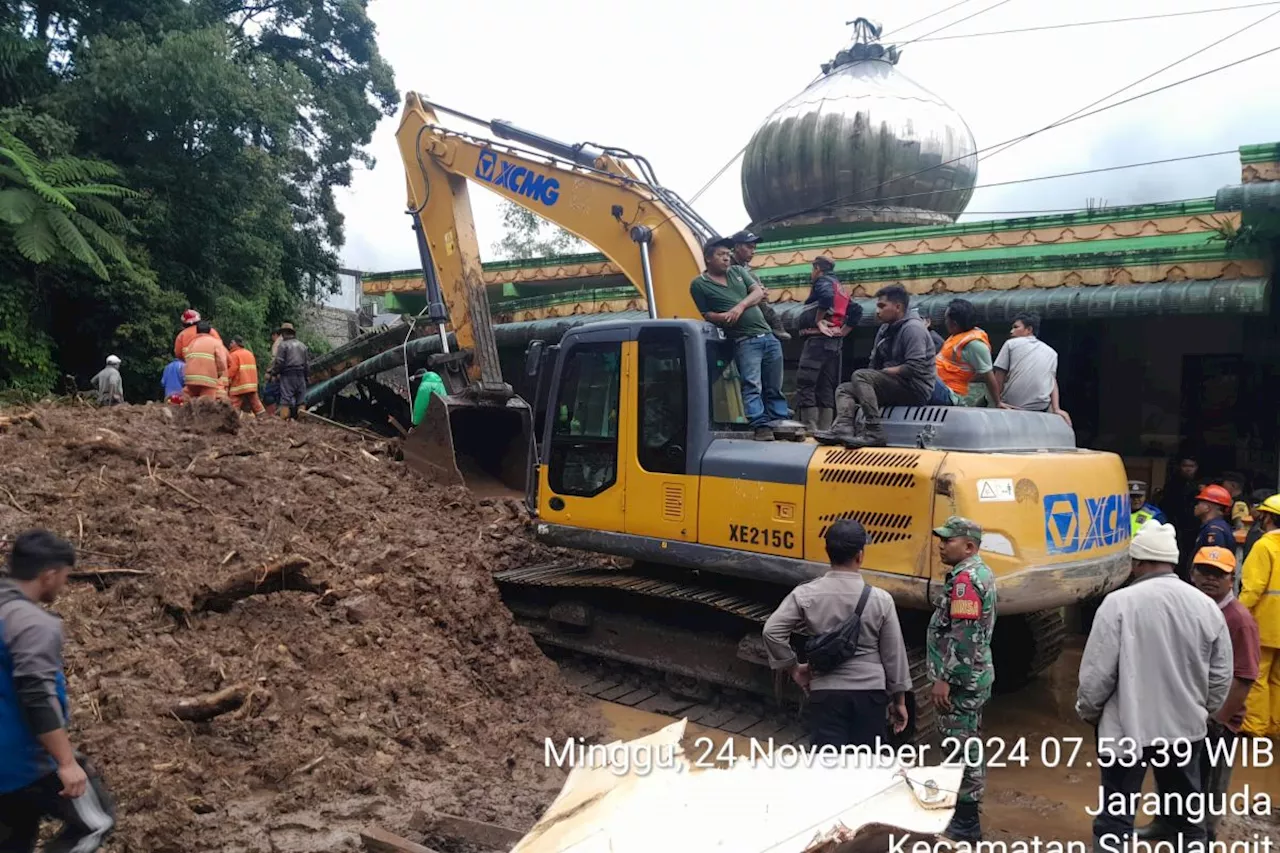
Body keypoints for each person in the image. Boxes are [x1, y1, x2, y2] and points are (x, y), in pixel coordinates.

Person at [1076, 519, 1231, 852]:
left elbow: (1096, 675)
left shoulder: (1118, 604)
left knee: (1115, 818)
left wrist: (1090, 712)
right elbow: (1220, 676)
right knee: (1189, 817)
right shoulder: (1205, 607)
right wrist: (1202, 709)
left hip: (1127, 729)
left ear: (1136, 562)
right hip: (1184, 731)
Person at [1132, 546, 1259, 845]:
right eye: (1203, 572)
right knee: (1172, 778)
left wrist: (1219, 719)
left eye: (1218, 574)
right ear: (1191, 573)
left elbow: (1244, 677)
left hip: (1217, 720)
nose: (1209, 579)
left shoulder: (1238, 619)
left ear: (1232, 579)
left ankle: (1202, 838)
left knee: (1205, 787)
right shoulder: (1187, 608)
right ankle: (1165, 826)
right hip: (1182, 714)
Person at [0, 529, 115, 852]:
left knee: (14, 840)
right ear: (49, 575)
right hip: (25, 760)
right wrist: (65, 762)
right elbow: (36, 695)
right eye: (65, 576)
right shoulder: (32, 623)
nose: (64, 584)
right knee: (96, 822)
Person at [761, 519, 910, 748]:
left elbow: (772, 632)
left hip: (825, 692)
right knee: (867, 766)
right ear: (860, 555)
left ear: (828, 552)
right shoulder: (881, 599)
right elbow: (894, 655)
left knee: (829, 768)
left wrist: (793, 668)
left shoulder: (805, 594)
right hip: (870, 695)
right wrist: (899, 700)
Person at [928, 517, 996, 842]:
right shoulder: (977, 574)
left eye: (947, 540)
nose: (941, 544)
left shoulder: (965, 581)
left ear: (968, 546)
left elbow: (965, 636)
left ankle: (965, 824)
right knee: (968, 741)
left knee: (959, 747)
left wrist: (945, 678)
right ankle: (965, 818)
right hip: (974, 677)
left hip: (962, 680)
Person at [689, 238, 791, 440]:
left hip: (767, 335)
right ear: (708, 258)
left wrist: (739, 307)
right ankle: (760, 425)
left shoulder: (738, 272)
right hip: (744, 340)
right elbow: (707, 314)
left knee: (774, 384)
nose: (726, 258)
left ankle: (779, 421)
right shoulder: (699, 285)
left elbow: (758, 292)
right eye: (721, 255)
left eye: (728, 254)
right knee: (752, 384)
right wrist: (722, 317)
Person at [816, 285, 935, 448]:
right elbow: (873, 364)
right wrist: (874, 377)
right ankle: (843, 428)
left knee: (861, 375)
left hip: (914, 388)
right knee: (845, 389)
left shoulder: (913, 329)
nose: (877, 311)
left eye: (882, 306)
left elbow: (916, 367)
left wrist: (884, 372)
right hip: (893, 384)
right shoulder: (884, 330)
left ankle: (874, 431)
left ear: (898, 307)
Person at [794, 256, 860, 432]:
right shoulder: (840, 288)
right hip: (833, 344)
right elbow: (856, 310)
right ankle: (825, 428)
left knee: (806, 382)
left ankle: (810, 426)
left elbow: (825, 297)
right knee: (826, 385)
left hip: (816, 341)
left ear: (817, 268)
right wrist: (843, 332)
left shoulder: (823, 282)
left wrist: (818, 320)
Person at [1239, 494, 1280, 737]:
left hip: (1266, 625)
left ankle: (1255, 727)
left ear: (1267, 517)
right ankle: (1275, 726)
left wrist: (1237, 615)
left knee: (1258, 676)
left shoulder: (1264, 546)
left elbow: (1252, 588)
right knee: (1278, 679)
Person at [991, 312, 1070, 425]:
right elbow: (1052, 381)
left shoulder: (1011, 344)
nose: (1011, 331)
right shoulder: (1051, 352)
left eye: (1016, 327)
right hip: (1041, 408)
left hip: (1012, 406)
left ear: (1029, 329)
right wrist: (1056, 408)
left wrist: (997, 402)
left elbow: (999, 375)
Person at [932, 299, 1000, 408]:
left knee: (919, 374)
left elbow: (988, 375)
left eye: (946, 319)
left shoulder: (975, 344)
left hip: (950, 393)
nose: (945, 322)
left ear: (954, 324)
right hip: (939, 385)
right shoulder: (956, 335)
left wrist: (997, 403)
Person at [728, 230, 790, 341]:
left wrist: (763, 293)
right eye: (749, 247)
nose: (753, 251)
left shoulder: (747, 269)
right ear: (737, 247)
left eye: (754, 248)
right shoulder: (727, 265)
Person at [1191, 485, 1236, 581]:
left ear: (1207, 508)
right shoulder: (1216, 526)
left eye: (1199, 503)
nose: (1196, 506)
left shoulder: (1214, 530)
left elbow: (1213, 565)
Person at [268, 322, 310, 420]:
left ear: (283, 333)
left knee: (285, 400)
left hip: (288, 375)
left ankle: (283, 422)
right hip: (300, 375)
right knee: (301, 400)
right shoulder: (302, 346)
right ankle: (301, 421)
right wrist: (306, 377)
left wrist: (273, 373)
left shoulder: (283, 345)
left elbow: (279, 362)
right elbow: (307, 364)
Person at [183, 320, 228, 400]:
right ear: (210, 331)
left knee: (189, 401)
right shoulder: (216, 343)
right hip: (208, 380)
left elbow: (186, 359)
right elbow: (221, 361)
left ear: (197, 331)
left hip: (190, 379)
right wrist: (219, 373)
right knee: (206, 404)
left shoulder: (191, 343)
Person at [226, 337, 266, 416]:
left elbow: (232, 370)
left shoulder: (234, 354)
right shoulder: (249, 353)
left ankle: (240, 418)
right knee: (257, 404)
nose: (230, 344)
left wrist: (225, 378)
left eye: (231, 342)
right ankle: (264, 419)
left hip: (239, 385)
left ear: (236, 344)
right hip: (251, 385)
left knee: (233, 405)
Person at [262, 330, 282, 416]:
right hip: (285, 376)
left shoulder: (277, 343)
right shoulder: (289, 342)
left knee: (268, 394)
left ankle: (271, 415)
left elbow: (273, 359)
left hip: (275, 375)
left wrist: (268, 371)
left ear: (275, 335)